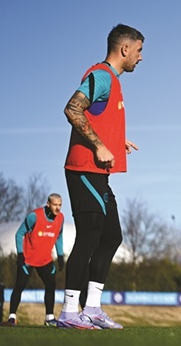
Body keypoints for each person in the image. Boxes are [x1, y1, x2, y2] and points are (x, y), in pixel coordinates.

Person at [57, 24, 144, 330]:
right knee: (90, 233)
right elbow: (72, 109)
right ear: (124, 49)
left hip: (98, 174)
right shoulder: (101, 76)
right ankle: (69, 312)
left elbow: (94, 116)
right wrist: (99, 144)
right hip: (83, 170)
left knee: (111, 236)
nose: (140, 57)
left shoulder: (113, 82)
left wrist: (114, 139)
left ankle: (91, 308)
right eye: (139, 50)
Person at [0, 194, 65, 327]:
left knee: (51, 285)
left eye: (60, 205)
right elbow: (19, 233)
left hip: (45, 260)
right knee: (20, 285)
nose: (57, 208)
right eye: (55, 205)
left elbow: (59, 236)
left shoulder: (61, 218)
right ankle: (12, 317)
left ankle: (49, 318)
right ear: (48, 204)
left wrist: (60, 256)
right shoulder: (34, 216)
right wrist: (20, 254)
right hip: (28, 259)